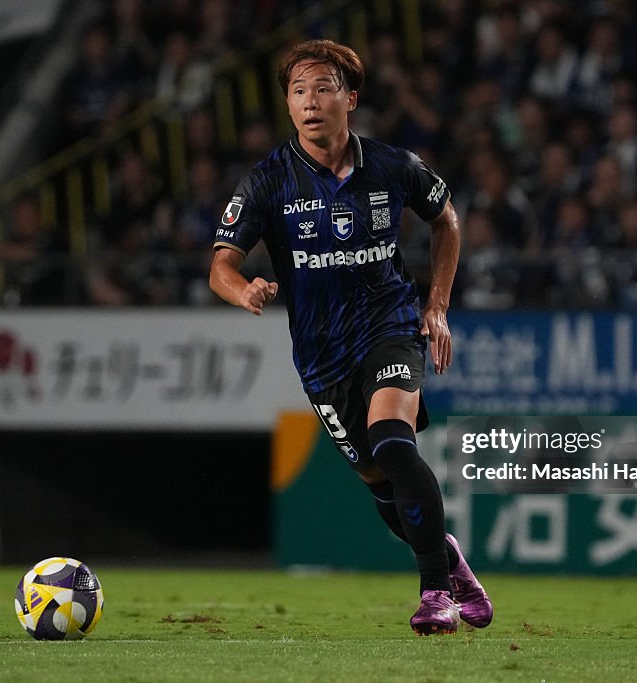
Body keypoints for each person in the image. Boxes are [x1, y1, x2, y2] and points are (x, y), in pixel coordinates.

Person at [208, 39, 492, 635]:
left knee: (393, 444)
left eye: (323, 88)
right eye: (298, 91)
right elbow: (220, 266)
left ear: (350, 99)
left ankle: (434, 592)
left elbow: (447, 221)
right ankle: (451, 562)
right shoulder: (267, 182)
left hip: (390, 328)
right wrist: (246, 291)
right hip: (320, 356)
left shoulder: (393, 165)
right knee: (380, 482)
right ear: (288, 105)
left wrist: (436, 308)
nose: (310, 102)